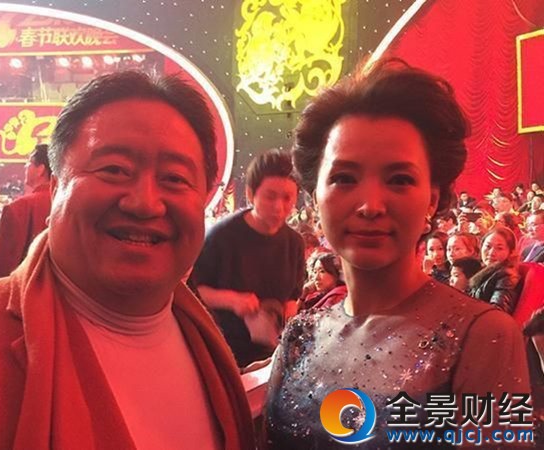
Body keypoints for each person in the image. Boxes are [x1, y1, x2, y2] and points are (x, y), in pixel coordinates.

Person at [0, 70, 254, 449]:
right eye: (114, 170)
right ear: (55, 187)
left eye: (174, 178)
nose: (144, 203)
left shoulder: (209, 351)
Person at [264, 59, 530, 449]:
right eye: (344, 178)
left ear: (432, 200)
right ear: (314, 197)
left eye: (399, 179)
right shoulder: (300, 336)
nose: (370, 205)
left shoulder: (484, 336)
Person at [193, 149, 305, 368]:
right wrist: (232, 300)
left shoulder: (295, 243)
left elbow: (293, 296)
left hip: (271, 354)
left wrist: (289, 313)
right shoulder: (220, 237)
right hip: (222, 352)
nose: (279, 207)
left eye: (287, 198)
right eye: (270, 196)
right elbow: (193, 292)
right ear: (251, 194)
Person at [0, 144, 52, 279]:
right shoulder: (71, 205)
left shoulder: (19, 208)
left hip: (26, 287)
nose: (25, 167)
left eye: (29, 163)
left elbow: (2, 269)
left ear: (41, 169)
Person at [469, 227, 521, 315]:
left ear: (511, 252)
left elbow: (498, 312)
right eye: (488, 246)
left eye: (499, 248)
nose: (491, 253)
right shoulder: (483, 269)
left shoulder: (507, 276)